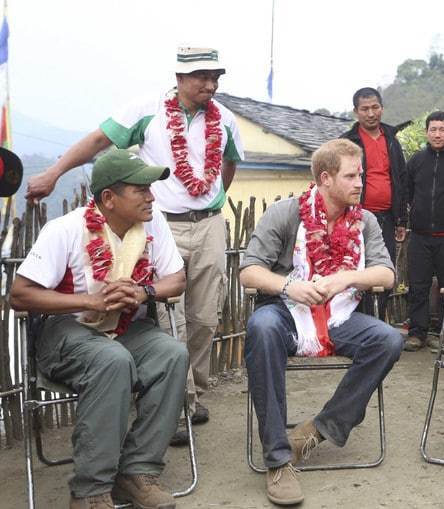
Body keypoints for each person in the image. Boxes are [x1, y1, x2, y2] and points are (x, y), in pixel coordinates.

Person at [26, 47, 244, 435]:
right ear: (178, 78)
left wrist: (210, 201)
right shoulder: (146, 109)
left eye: (215, 78)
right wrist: (55, 173)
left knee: (205, 317)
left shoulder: (225, 118)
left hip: (209, 224)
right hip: (162, 223)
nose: (210, 85)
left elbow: (228, 164)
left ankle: (187, 394)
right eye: (201, 77)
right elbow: (96, 142)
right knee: (165, 316)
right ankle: (174, 408)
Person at [10, 149, 188, 509]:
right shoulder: (65, 229)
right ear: (109, 198)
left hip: (127, 327)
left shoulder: (152, 225)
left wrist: (144, 291)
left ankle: (136, 472)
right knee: (111, 359)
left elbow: (178, 279)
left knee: (172, 354)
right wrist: (89, 302)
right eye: (141, 189)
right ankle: (90, 491)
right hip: (67, 330)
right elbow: (19, 294)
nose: (152, 196)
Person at [240, 139, 403, 506]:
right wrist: (289, 286)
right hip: (286, 312)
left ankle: (318, 430)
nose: (360, 183)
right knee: (261, 328)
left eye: (360, 174)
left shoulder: (366, 220)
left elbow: (386, 274)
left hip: (342, 314)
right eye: (351, 176)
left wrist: (345, 278)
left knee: (388, 340)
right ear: (325, 179)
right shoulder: (286, 213)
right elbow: (248, 271)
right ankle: (278, 460)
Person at [405, 111, 444, 351]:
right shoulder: (416, 161)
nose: (437, 134)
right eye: (433, 129)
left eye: (442, 129)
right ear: (426, 132)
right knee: (417, 285)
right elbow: (408, 193)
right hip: (420, 236)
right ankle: (417, 333)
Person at [340, 88, 407, 290]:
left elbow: (401, 179)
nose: (370, 114)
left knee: (384, 269)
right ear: (355, 112)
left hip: (387, 218)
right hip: (354, 217)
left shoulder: (392, 139)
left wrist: (401, 219)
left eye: (375, 107)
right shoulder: (346, 142)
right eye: (365, 109)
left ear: (382, 108)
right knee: (354, 268)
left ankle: (379, 318)